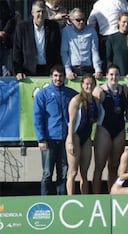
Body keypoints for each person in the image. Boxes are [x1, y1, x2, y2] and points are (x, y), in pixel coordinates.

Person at [33, 64, 78, 195]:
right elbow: (37, 118)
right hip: (49, 140)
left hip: (65, 140)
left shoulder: (70, 94)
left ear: (65, 77)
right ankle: (45, 202)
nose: (58, 78)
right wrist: (41, 139)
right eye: (55, 75)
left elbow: (85, 101)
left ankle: (61, 203)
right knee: (47, 173)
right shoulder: (42, 94)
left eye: (61, 76)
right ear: (51, 77)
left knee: (63, 173)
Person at [92, 64, 128, 193]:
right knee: (99, 167)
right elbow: (93, 112)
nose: (114, 77)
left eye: (116, 74)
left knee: (114, 167)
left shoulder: (124, 89)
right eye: (111, 74)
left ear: (120, 76)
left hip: (119, 129)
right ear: (107, 76)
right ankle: (96, 197)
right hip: (104, 129)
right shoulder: (99, 90)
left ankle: (113, 195)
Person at [87, 0, 128, 72]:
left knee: (105, 66)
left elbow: (91, 23)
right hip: (118, 38)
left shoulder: (97, 4)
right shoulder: (120, 2)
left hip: (103, 38)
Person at [66, 74, 99, 195]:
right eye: (87, 84)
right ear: (82, 85)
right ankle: (70, 200)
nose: (89, 86)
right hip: (75, 136)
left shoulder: (96, 100)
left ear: (95, 85)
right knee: (73, 172)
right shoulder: (76, 100)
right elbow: (71, 122)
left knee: (84, 173)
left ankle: (84, 199)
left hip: (87, 138)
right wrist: (70, 142)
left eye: (91, 84)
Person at [13, 0, 61, 80]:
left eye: (43, 11)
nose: (41, 14)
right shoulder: (22, 28)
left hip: (49, 70)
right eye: (38, 11)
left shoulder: (53, 27)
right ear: (32, 13)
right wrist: (18, 71)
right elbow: (17, 51)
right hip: (29, 71)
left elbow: (57, 49)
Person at [61, 8, 102, 80]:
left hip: (88, 69)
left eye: (83, 19)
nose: (81, 22)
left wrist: (98, 70)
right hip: (73, 70)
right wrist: (68, 71)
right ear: (71, 20)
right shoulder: (66, 31)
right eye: (78, 20)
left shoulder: (91, 31)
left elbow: (94, 51)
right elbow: (64, 51)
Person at [0, 0, 16, 76]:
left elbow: (12, 18)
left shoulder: (7, 2)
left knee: (6, 73)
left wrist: (4, 32)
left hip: (6, 42)